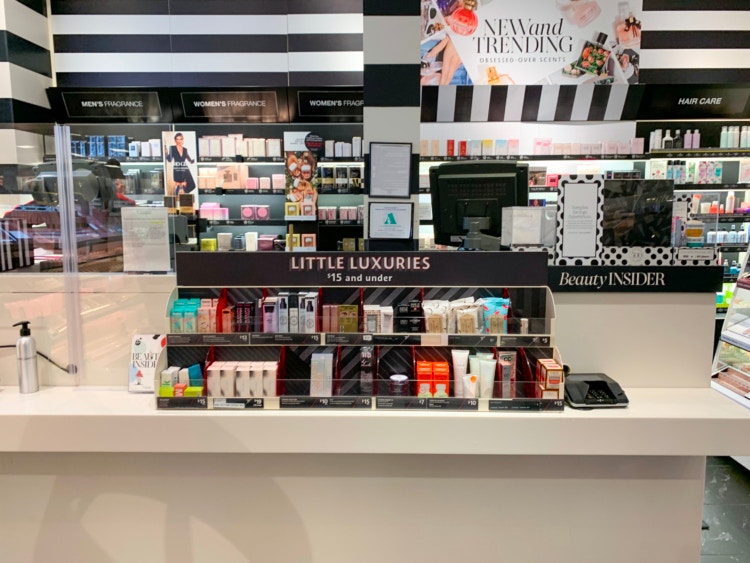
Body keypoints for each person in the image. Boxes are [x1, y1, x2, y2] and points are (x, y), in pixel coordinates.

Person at [165, 132, 196, 197]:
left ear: (182, 140)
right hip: (177, 169)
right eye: (177, 139)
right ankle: (177, 200)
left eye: (180, 139)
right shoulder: (172, 148)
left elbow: (189, 159)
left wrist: (193, 160)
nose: (179, 141)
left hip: (185, 169)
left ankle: (185, 201)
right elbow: (169, 160)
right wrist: (166, 153)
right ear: (175, 140)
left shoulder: (185, 149)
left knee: (187, 185)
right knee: (179, 185)